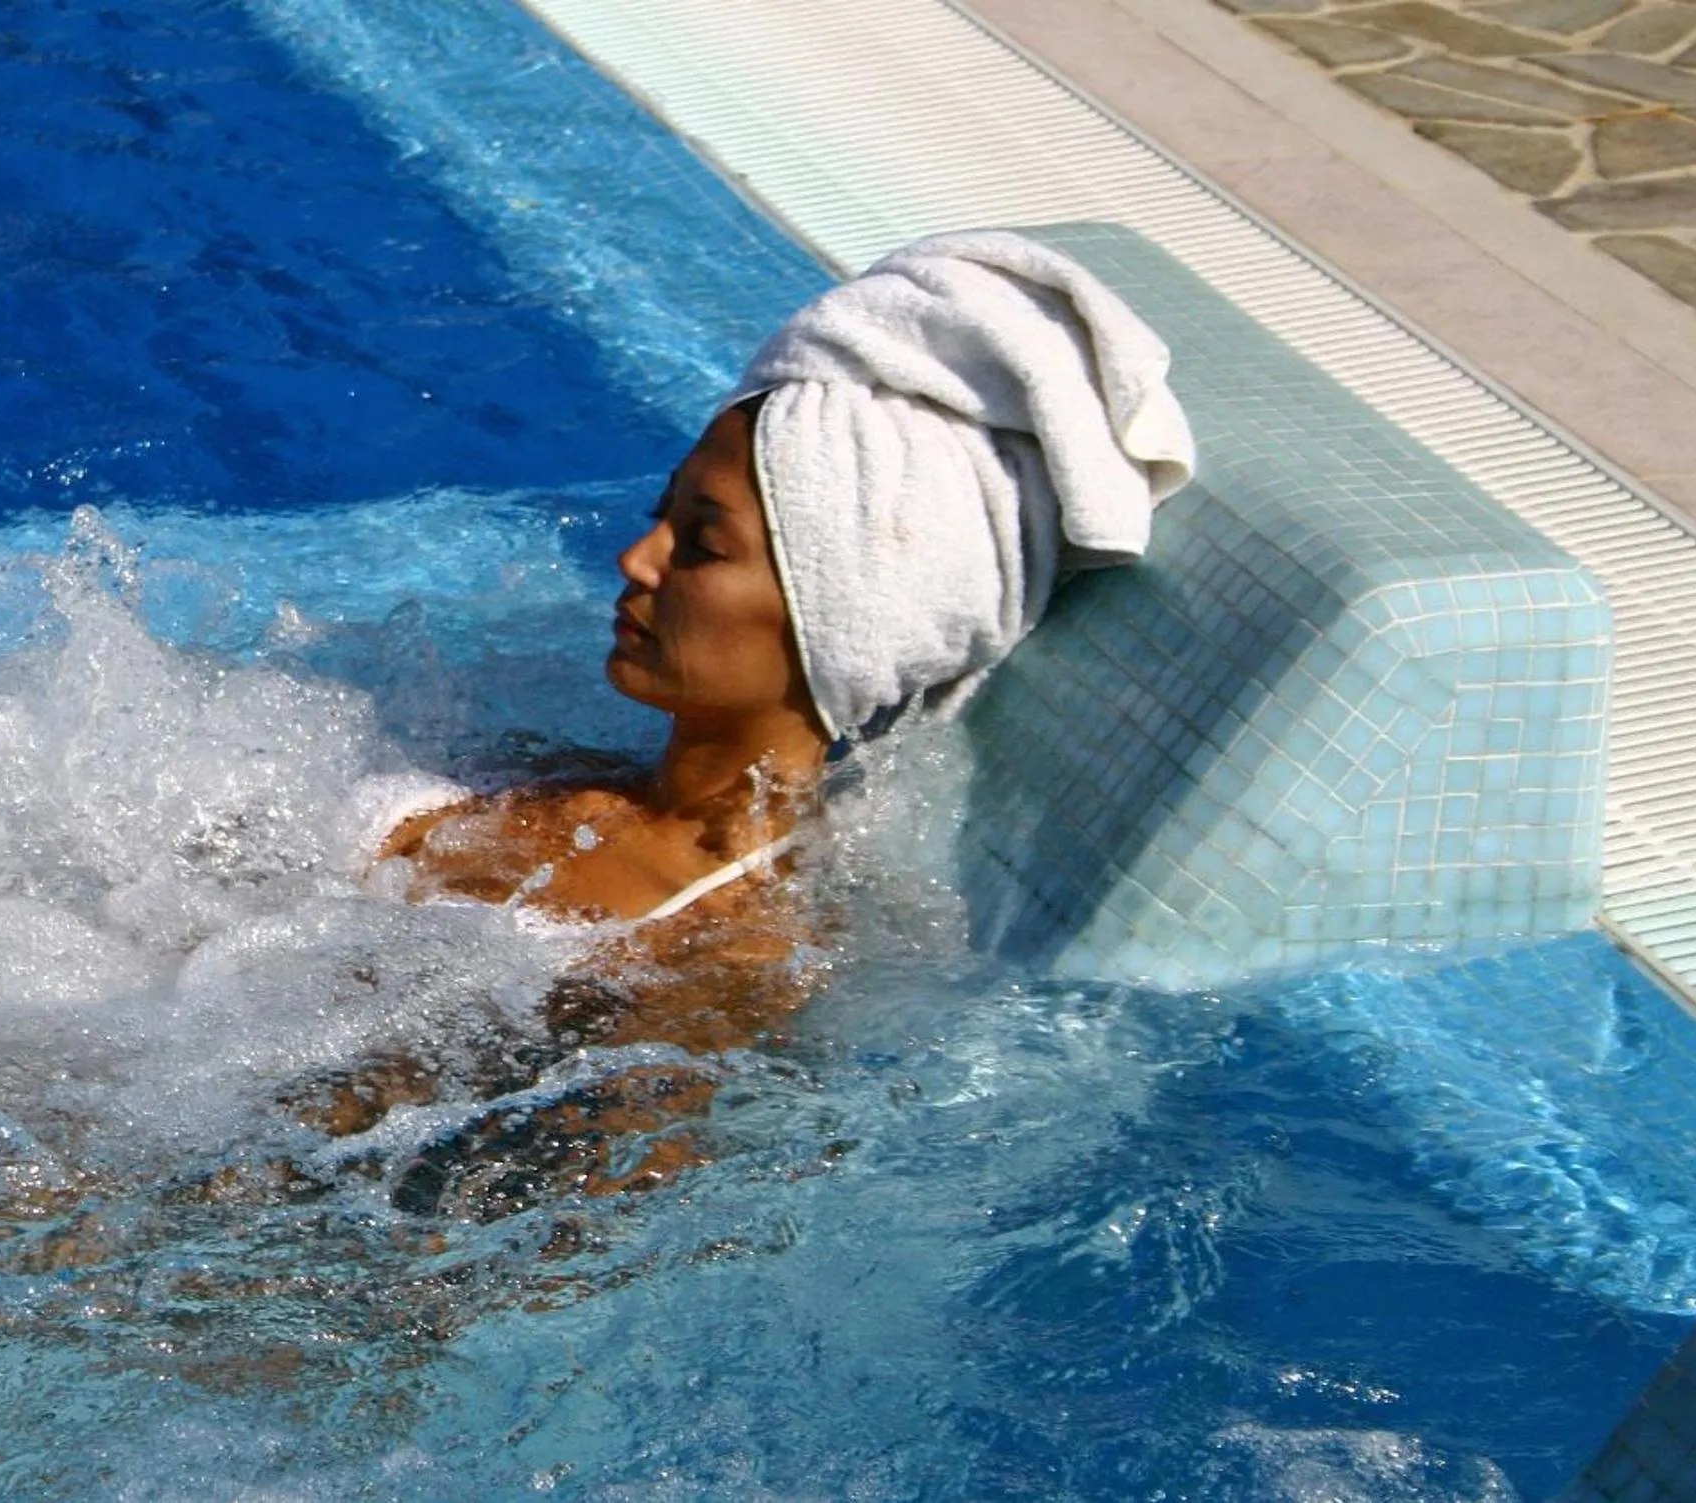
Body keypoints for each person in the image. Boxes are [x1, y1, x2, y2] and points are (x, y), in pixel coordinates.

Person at [310, 230, 1197, 1204]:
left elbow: (537, 1234)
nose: (635, 561)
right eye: (662, 515)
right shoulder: (557, 775)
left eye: (696, 544)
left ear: (840, 614)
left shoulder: (710, 962)